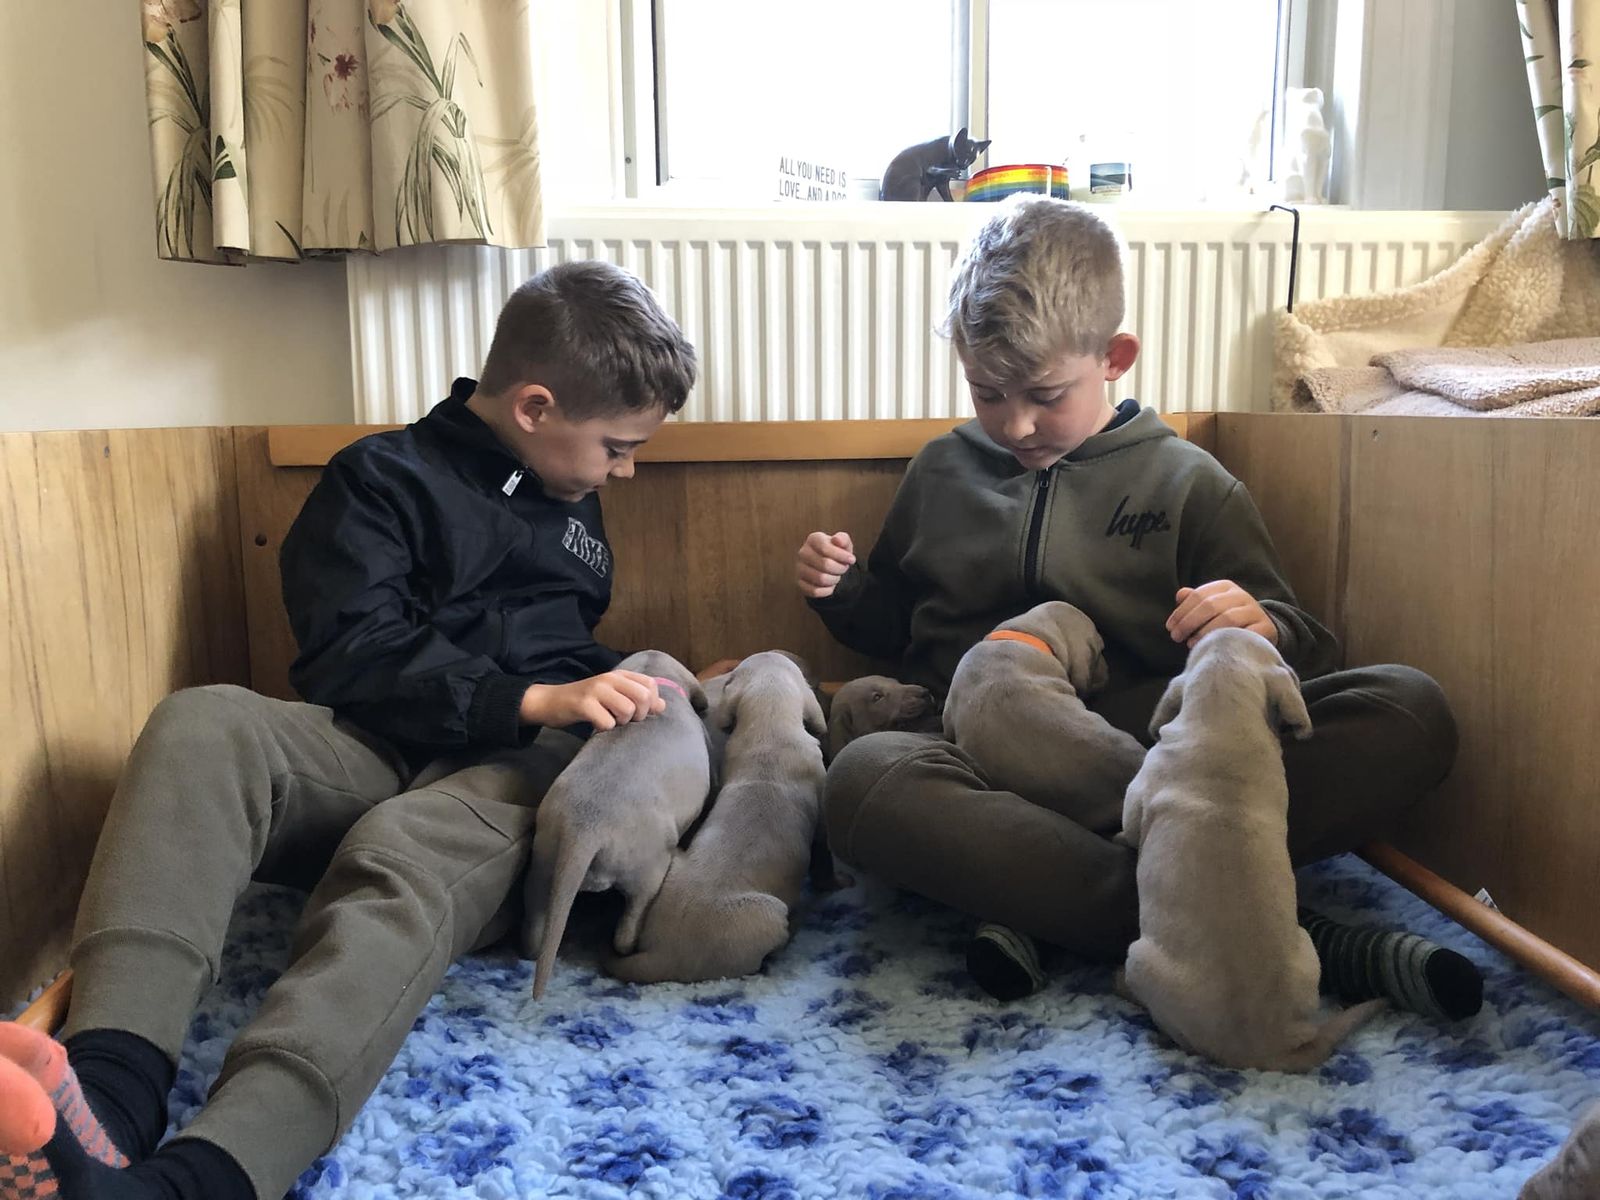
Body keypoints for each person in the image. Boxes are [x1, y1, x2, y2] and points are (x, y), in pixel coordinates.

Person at [0, 260, 697, 1200]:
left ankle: (200, 1180)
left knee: (404, 846)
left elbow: (562, 646)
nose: (625, 468)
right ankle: (106, 1099)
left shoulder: (574, 503)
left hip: (512, 773)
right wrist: (529, 697)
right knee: (202, 721)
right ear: (535, 407)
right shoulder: (378, 478)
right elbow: (350, 657)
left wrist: (613, 690)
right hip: (385, 740)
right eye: (617, 447)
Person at [795, 196, 1481, 1018]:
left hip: (1153, 749)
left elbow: (1300, 652)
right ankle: (1266, 921)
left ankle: (1049, 904)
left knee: (1410, 709)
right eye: (987, 393)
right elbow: (893, 628)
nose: (1016, 423)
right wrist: (843, 593)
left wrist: (1263, 623)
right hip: (974, 753)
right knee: (861, 781)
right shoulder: (941, 471)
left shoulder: (1190, 482)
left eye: (1046, 394)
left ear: (1115, 357)